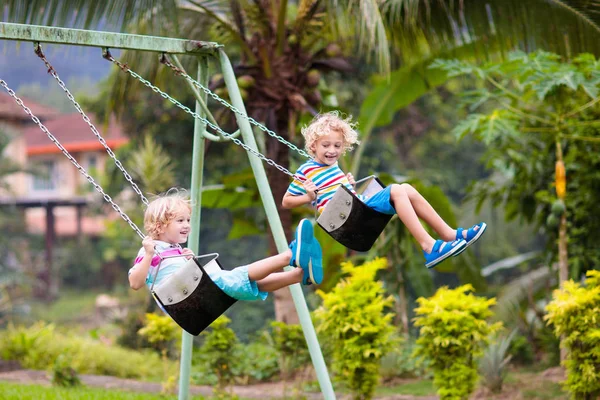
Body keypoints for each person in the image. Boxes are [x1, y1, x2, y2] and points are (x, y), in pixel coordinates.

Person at [282, 111, 487, 269]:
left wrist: (349, 187)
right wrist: (309, 196)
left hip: (356, 208)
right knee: (397, 190)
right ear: (313, 145)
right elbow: (286, 201)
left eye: (337, 146)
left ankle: (450, 235)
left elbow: (336, 192)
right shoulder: (305, 170)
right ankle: (429, 246)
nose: (332, 151)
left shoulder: (334, 166)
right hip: (343, 219)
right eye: (326, 145)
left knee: (406, 188)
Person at [129, 190, 324, 303]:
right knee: (241, 274)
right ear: (160, 225)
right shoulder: (151, 249)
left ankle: (299, 275)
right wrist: (147, 255)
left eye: (188, 219)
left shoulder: (175, 251)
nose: (187, 225)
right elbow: (135, 283)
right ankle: (290, 255)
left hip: (195, 292)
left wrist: (188, 261)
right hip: (184, 297)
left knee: (251, 283)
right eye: (180, 220)